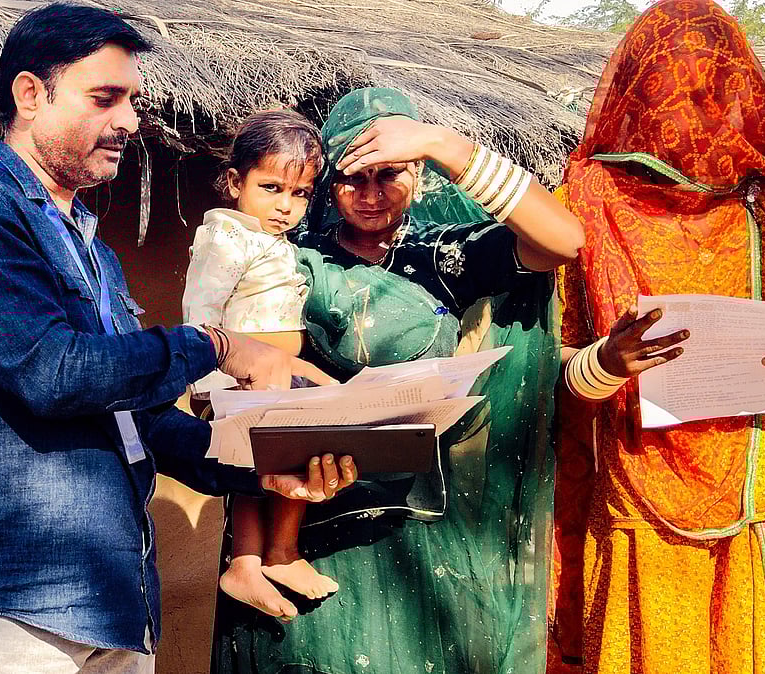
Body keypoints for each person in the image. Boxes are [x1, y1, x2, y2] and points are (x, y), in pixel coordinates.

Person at [0, 5, 356, 673]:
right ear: (31, 95)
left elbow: (138, 420)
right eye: (105, 98)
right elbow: (51, 372)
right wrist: (221, 346)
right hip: (13, 611)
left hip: (116, 606)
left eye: (133, 101)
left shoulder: (89, 243)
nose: (129, 121)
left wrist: (265, 468)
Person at [547, 2, 765, 672]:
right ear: (635, 85)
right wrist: (609, 362)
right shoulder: (586, 200)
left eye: (707, 84)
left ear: (737, 88)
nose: (689, 103)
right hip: (648, 481)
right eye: (670, 82)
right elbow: (555, 358)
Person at [212, 87, 585, 673]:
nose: (369, 195)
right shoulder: (287, 255)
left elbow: (564, 241)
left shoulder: (437, 259)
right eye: (351, 177)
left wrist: (442, 144)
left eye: (391, 175)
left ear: (419, 175)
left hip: (419, 534)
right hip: (306, 527)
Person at [181, 109, 340, 619]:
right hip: (239, 378)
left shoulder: (270, 240)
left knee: (282, 460)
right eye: (271, 188)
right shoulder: (227, 237)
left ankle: (271, 555)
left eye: (300, 194)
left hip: (273, 379)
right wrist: (208, 382)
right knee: (261, 461)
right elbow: (202, 311)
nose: (286, 206)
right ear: (234, 182)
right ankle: (259, 557)